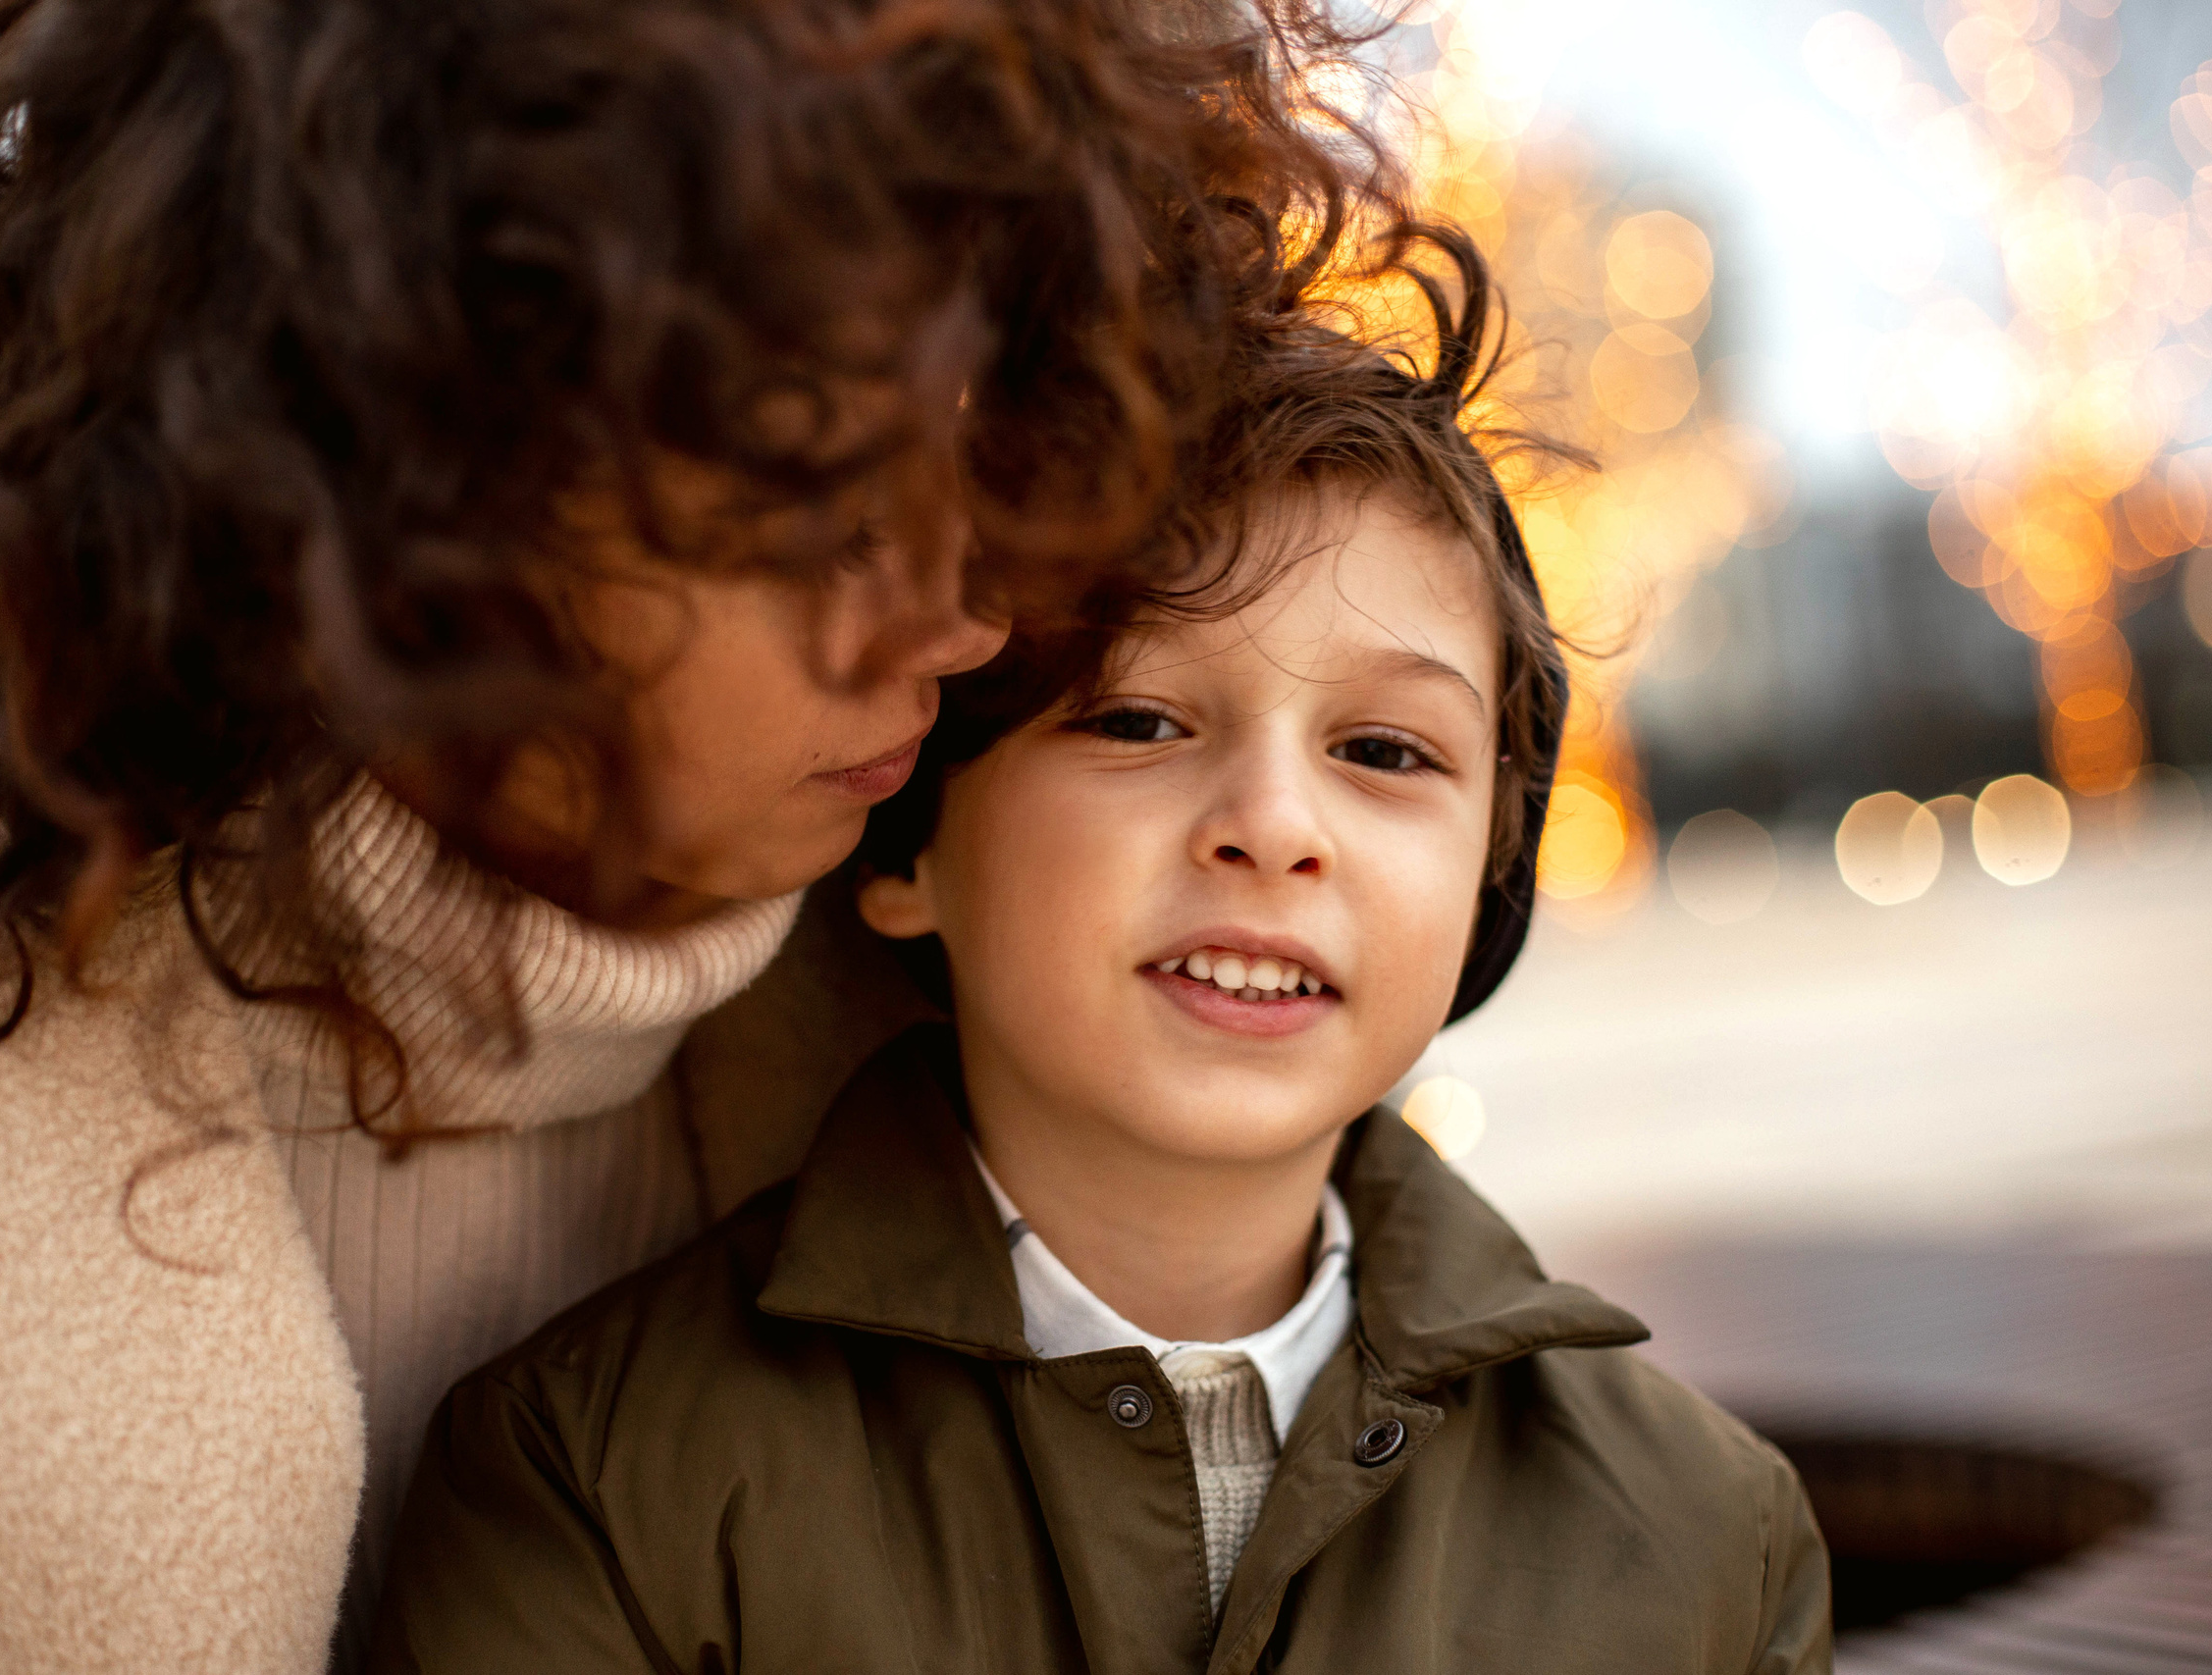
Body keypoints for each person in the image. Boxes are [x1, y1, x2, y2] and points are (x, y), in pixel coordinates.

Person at [0, 1, 1412, 1669]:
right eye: (816, 506)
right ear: (372, 466)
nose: (962, 614)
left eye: (993, 448)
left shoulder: (1035, 1019)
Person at [368, 318, 1836, 1674]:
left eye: (1387, 752)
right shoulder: (597, 1479)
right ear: (909, 851)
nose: (1274, 822)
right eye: (1137, 719)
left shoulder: (1708, 1536)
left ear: (1487, 884)